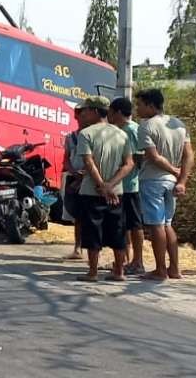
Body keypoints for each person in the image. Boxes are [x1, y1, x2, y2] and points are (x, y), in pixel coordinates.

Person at [135, 88, 195, 281]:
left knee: (156, 225)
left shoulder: (145, 126)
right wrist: (181, 179)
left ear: (151, 105)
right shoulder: (179, 124)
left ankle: (160, 269)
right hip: (172, 183)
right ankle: (174, 269)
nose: (138, 108)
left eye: (140, 104)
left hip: (153, 180)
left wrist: (173, 170)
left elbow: (153, 157)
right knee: (168, 224)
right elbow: (189, 155)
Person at [75, 95, 134, 282]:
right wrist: (111, 185)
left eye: (84, 111)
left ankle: (92, 272)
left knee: (92, 231)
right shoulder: (121, 134)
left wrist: (102, 185)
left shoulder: (86, 134)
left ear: (94, 111)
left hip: (92, 192)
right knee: (118, 231)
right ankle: (119, 271)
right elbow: (129, 164)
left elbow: (88, 161)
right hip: (116, 193)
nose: (82, 114)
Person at [108, 97, 146, 276]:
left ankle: (137, 261)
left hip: (129, 185)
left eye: (110, 112)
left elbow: (136, 158)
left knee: (134, 225)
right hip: (123, 185)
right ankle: (123, 260)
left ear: (117, 113)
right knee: (123, 225)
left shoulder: (130, 130)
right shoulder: (123, 129)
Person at [62, 111, 90, 260]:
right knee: (77, 215)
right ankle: (78, 248)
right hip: (74, 179)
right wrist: (74, 172)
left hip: (91, 179)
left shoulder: (94, 136)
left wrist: (85, 174)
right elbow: (65, 159)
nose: (83, 118)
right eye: (80, 116)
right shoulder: (71, 138)